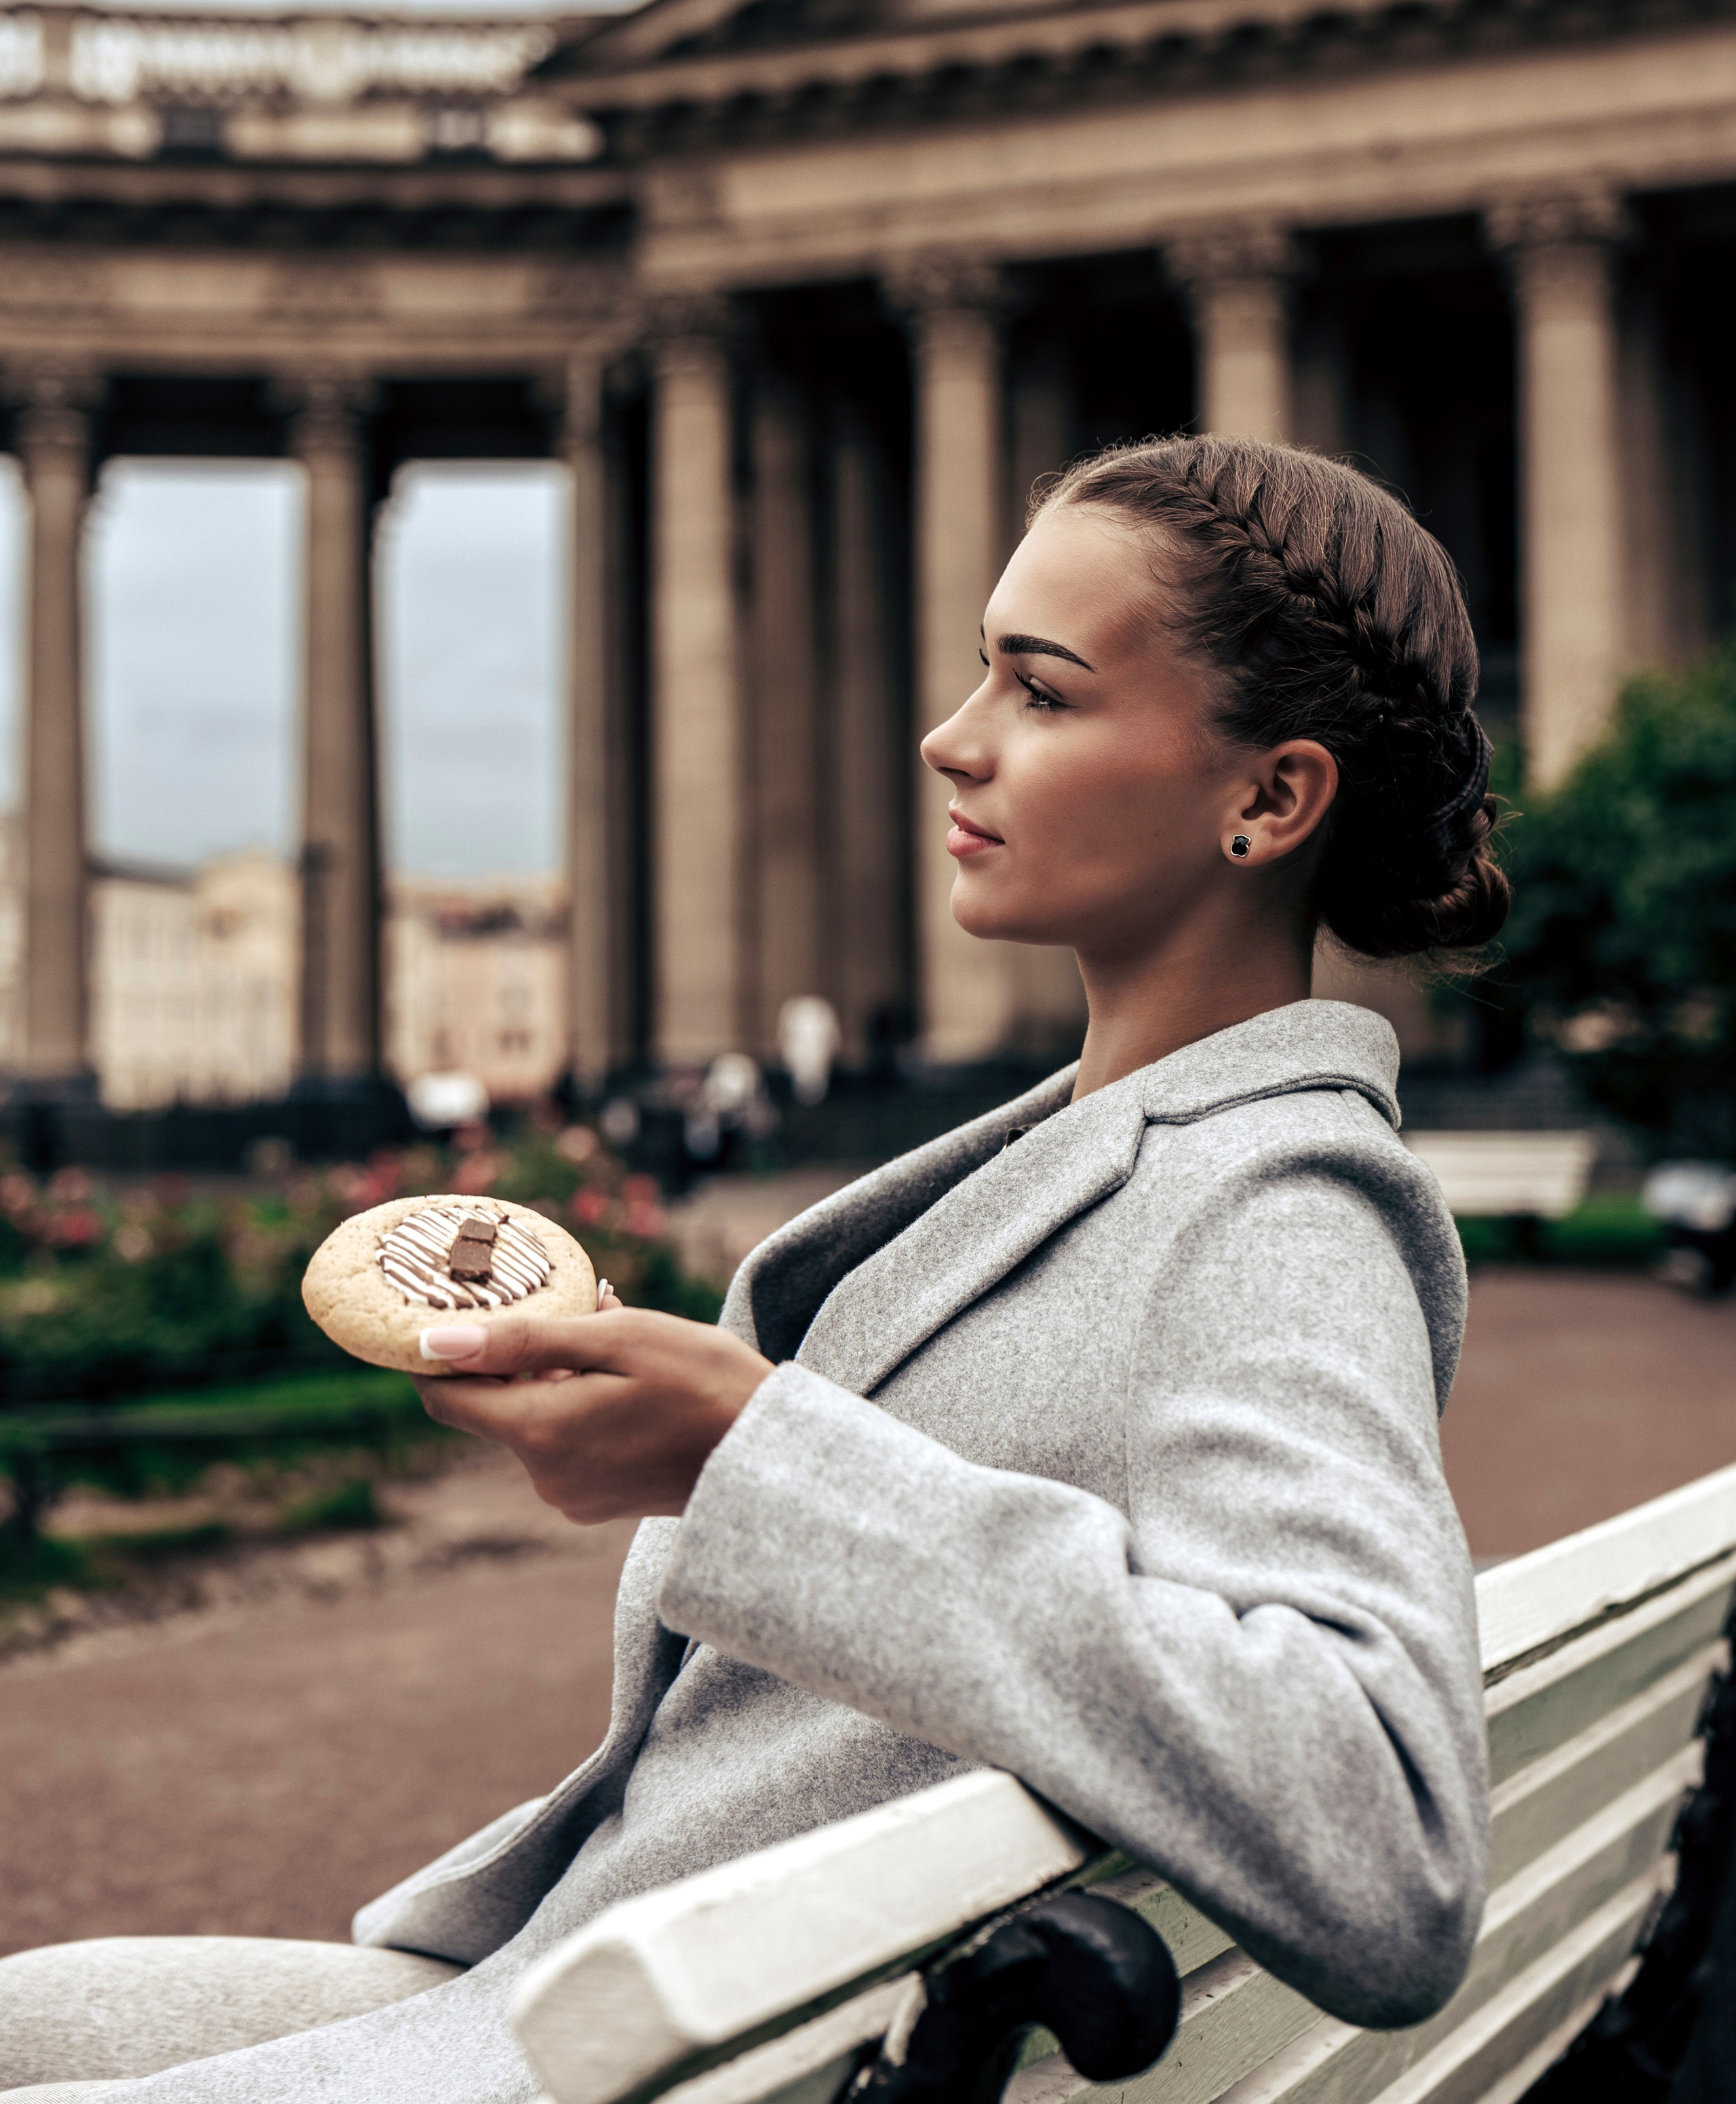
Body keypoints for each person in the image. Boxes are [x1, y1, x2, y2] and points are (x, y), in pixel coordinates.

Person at [0, 435, 1502, 2102]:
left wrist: (750, 1458)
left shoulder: (1274, 1203)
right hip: (645, 1991)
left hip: (684, 2060)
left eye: (1042, 692)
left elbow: (1385, 1833)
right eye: (977, 672)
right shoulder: (1100, 1153)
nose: (951, 736)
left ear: (1267, 799)